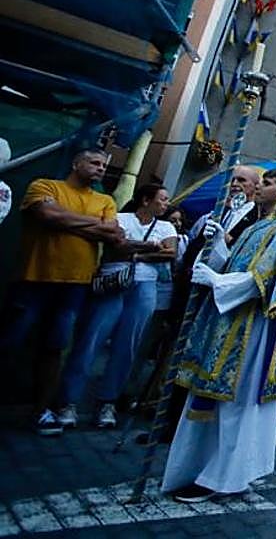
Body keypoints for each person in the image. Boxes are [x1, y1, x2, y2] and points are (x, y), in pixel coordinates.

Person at [161, 168, 276, 503]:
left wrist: (216, 281)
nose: (259, 188)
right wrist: (218, 245)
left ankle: (223, 475)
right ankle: (203, 467)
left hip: (250, 328)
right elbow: (237, 266)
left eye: (266, 184)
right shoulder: (258, 225)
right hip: (228, 321)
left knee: (237, 403)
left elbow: (263, 279)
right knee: (218, 402)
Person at [1, 148, 123, 435]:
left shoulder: (105, 200)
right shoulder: (44, 186)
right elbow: (46, 214)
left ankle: (40, 411)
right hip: (34, 279)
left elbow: (114, 234)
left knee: (54, 348)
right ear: (76, 162)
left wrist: (65, 220)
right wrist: (95, 226)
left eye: (104, 165)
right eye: (94, 162)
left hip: (75, 286)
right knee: (9, 341)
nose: (101, 168)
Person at [58, 183, 177, 429]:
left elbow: (169, 253)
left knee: (128, 345)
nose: (166, 204)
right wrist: (151, 247)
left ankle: (107, 402)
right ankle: (68, 401)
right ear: (146, 200)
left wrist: (136, 253)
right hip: (114, 280)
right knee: (91, 338)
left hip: (145, 284)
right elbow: (116, 245)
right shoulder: (119, 218)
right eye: (162, 199)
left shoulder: (165, 226)